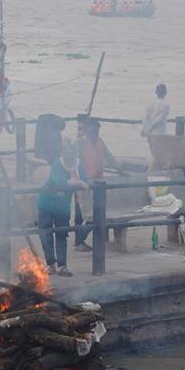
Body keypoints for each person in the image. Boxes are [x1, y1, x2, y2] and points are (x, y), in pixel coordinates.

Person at [37, 148, 87, 276]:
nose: (69, 162)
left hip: (63, 207)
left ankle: (62, 266)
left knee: (61, 235)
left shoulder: (79, 165)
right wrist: (79, 183)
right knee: (46, 234)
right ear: (63, 157)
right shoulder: (57, 164)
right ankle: (50, 264)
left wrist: (81, 182)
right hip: (46, 204)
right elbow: (61, 183)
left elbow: (86, 182)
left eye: (71, 159)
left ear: (75, 157)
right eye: (67, 159)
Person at [72, 118, 119, 252]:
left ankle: (86, 238)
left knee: (97, 212)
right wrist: (81, 181)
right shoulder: (79, 143)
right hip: (82, 183)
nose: (95, 133)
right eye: (92, 131)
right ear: (87, 130)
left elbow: (109, 158)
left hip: (98, 184)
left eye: (97, 131)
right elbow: (75, 164)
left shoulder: (100, 142)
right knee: (80, 213)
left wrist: (119, 168)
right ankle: (79, 241)